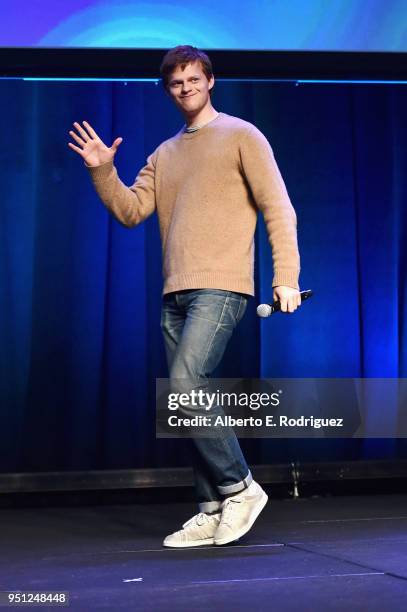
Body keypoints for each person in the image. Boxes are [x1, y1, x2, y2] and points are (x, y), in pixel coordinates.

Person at [68, 45, 301, 548]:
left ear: (209, 81)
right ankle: (211, 507)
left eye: (194, 79)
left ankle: (241, 489)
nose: (186, 89)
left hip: (222, 285)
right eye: (177, 83)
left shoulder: (242, 135)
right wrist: (101, 170)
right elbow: (131, 211)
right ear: (168, 89)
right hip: (176, 291)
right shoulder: (164, 154)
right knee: (182, 400)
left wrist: (286, 276)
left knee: (186, 381)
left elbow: (278, 207)